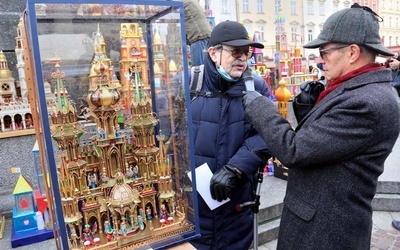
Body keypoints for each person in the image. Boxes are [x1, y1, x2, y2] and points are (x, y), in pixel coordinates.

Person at [243, 4, 400, 249]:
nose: (319, 59)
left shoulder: (367, 102)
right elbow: (328, 145)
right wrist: (312, 109)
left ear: (352, 52)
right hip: (320, 222)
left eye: (324, 51)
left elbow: (293, 150)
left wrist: (260, 105)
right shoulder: (356, 88)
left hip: (325, 232)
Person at [189, 20, 271, 249]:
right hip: (195, 211)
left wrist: (236, 168)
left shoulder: (256, 87)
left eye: (247, 52)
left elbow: (269, 134)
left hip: (236, 207)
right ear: (213, 53)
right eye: (236, 51)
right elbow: (168, 135)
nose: (243, 58)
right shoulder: (188, 82)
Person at [183, 0, 211, 66]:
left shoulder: (182, 2)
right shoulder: (191, 2)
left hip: (198, 37)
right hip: (204, 35)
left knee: (198, 70)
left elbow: (167, 6)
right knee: (204, 68)